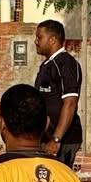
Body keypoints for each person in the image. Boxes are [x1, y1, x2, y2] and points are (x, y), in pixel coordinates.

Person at [34, 20, 83, 169]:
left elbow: (70, 103)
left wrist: (56, 139)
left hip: (62, 141)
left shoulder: (66, 64)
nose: (36, 42)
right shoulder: (47, 65)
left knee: (57, 180)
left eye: (39, 37)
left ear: (52, 39)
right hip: (46, 139)